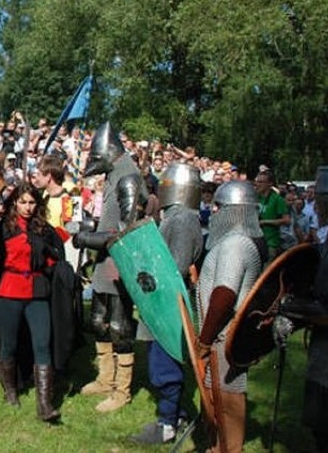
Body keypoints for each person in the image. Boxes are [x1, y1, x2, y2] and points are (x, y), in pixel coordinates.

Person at [73, 122, 147, 412]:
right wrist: (90, 228)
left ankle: (122, 389)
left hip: (120, 261)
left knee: (119, 325)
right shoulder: (115, 174)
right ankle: (105, 378)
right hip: (105, 260)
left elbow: (125, 231)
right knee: (99, 321)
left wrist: (86, 238)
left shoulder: (128, 176)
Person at [131, 164, 203, 444]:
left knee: (164, 365)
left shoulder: (183, 218)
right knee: (161, 360)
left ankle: (166, 424)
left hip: (169, 302)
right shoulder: (174, 215)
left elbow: (177, 267)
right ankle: (179, 413)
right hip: (161, 299)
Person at [196, 180, 266, 453]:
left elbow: (224, 294)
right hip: (221, 338)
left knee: (226, 407)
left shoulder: (236, 244)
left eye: (219, 206)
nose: (213, 211)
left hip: (224, 340)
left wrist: (205, 339)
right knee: (215, 407)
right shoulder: (240, 241)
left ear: (234, 211)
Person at [278, 166, 328, 452]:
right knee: (322, 429)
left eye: (324, 201)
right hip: (325, 348)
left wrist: (295, 310)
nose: (319, 207)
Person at [0, 182, 62, 423]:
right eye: (23, 202)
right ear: (14, 203)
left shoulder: (44, 229)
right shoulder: (2, 229)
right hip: (9, 290)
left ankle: (45, 404)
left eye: (32, 202)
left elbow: (56, 257)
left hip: (37, 292)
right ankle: (10, 392)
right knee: (8, 345)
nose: (27, 207)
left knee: (42, 344)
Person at [254, 170, 289, 262]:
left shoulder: (278, 199)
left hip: (270, 243)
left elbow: (286, 220)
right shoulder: (255, 198)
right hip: (254, 241)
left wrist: (265, 222)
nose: (257, 184)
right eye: (257, 181)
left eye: (261, 182)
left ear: (270, 184)